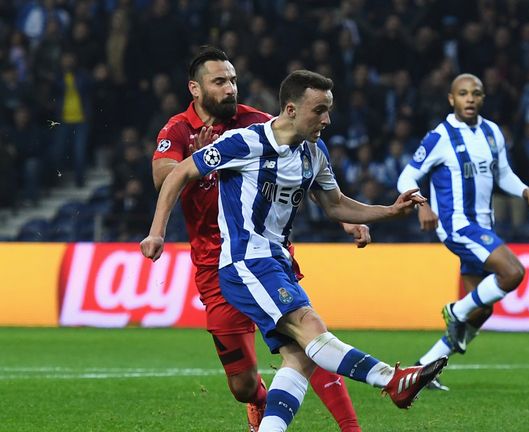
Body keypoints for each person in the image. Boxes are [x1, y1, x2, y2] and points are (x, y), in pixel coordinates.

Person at [142, 69, 448, 432]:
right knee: (309, 328)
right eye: (319, 110)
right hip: (245, 262)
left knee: (300, 357)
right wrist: (157, 232)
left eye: (329, 110)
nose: (327, 120)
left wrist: (389, 211)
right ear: (290, 109)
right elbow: (178, 174)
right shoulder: (245, 142)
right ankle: (390, 380)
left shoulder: (314, 153)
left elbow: (334, 204)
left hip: (278, 262)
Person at [152, 48, 365, 431]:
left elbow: (302, 163)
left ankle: (351, 427)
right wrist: (199, 162)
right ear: (195, 89)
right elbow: (164, 175)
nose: (230, 87)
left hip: (266, 252)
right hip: (213, 266)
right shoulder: (177, 130)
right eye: (220, 81)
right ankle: (260, 402)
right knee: (242, 383)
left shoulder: (257, 123)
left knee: (305, 340)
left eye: (232, 79)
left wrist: (347, 221)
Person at [397, 73, 529, 390]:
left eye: (476, 93)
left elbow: (503, 174)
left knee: (480, 311)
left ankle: (422, 372)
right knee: (513, 273)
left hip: (483, 226)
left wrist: (527, 192)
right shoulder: (440, 136)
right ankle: (455, 310)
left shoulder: (492, 132)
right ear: (451, 99)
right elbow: (407, 177)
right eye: (463, 93)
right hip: (458, 225)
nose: (470, 98)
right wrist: (421, 204)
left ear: (482, 98)